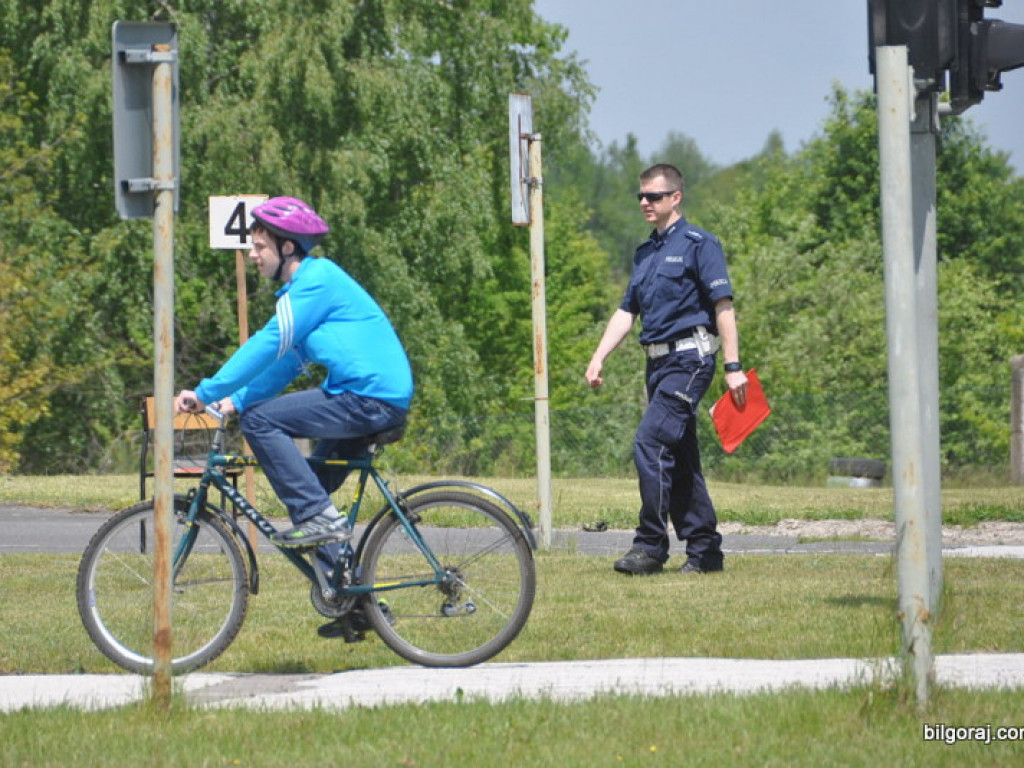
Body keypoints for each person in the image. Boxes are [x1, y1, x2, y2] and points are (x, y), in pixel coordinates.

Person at [175, 196, 413, 562]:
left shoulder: (316, 281)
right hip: (370, 398)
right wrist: (235, 400)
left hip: (368, 398)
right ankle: (349, 603)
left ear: (287, 247)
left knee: (263, 422)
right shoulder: (309, 291)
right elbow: (287, 362)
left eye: (259, 247)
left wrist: (208, 391)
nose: (253, 255)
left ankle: (322, 519)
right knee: (309, 495)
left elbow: (269, 343)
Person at [585, 164, 747, 576]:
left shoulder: (699, 245)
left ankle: (650, 546)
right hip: (656, 363)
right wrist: (598, 356)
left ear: (676, 197)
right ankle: (706, 552)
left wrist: (733, 367)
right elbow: (627, 311)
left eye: (653, 196)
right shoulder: (645, 253)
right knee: (679, 457)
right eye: (641, 196)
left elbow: (723, 307)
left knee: (651, 443)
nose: (645, 203)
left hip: (690, 361)